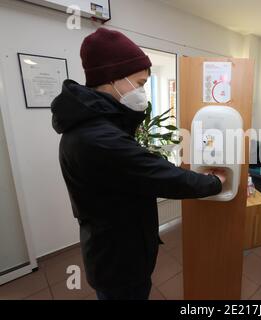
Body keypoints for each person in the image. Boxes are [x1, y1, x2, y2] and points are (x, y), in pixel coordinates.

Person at [51, 28, 226, 300]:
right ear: (112, 79)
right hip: (119, 261)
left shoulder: (90, 126)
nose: (143, 91)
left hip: (113, 249)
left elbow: (136, 170)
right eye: (140, 83)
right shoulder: (99, 138)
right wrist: (216, 182)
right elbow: (163, 177)